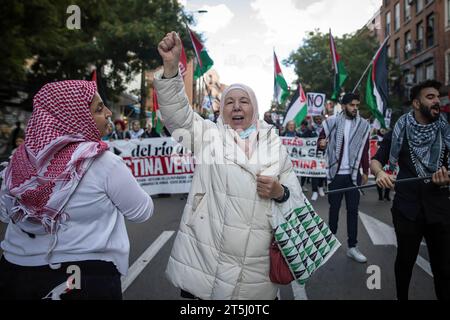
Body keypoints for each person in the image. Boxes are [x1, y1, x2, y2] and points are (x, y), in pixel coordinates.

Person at [155, 32, 304, 300]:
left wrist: (280, 192)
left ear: (254, 110)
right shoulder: (208, 136)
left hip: (255, 274)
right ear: (222, 110)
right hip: (204, 265)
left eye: (243, 101)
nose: (236, 107)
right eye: (229, 102)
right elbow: (177, 116)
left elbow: (296, 202)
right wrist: (170, 68)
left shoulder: (274, 146)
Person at [0, 80, 154, 300]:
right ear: (74, 118)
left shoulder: (18, 161)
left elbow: (5, 213)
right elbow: (142, 211)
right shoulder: (103, 162)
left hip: (15, 273)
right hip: (84, 278)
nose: (109, 113)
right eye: (99, 109)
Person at [370, 80, 450, 300]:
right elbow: (376, 161)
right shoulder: (400, 129)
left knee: (444, 268)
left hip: (440, 210)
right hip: (407, 210)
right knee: (405, 262)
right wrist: (380, 174)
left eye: (438, 97)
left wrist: (446, 178)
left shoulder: (446, 130)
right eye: (430, 97)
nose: (437, 101)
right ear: (416, 103)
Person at [318, 92, 370, 263]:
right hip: (336, 175)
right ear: (344, 105)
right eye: (352, 105)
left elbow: (364, 149)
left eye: (357, 105)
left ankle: (352, 247)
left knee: (353, 212)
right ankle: (329, 244)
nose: (355, 108)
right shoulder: (331, 122)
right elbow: (320, 143)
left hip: (353, 175)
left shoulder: (363, 125)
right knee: (333, 211)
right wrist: (322, 144)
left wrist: (365, 170)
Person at [311, 115, 326, 201]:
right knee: (314, 173)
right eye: (316, 119)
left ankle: (320, 187)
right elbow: (304, 138)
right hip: (313, 154)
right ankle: (314, 191)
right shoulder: (311, 129)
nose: (318, 120)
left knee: (322, 172)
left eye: (320, 119)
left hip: (323, 154)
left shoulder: (326, 128)